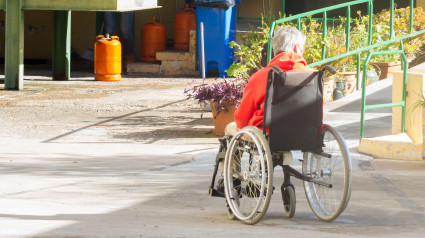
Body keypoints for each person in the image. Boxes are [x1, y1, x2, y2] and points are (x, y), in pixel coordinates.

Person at [225, 26, 315, 135]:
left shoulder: (260, 76)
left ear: (275, 49)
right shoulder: (313, 76)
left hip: (268, 133)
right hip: (306, 132)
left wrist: (242, 126)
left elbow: (243, 117)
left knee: (230, 128)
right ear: (297, 48)